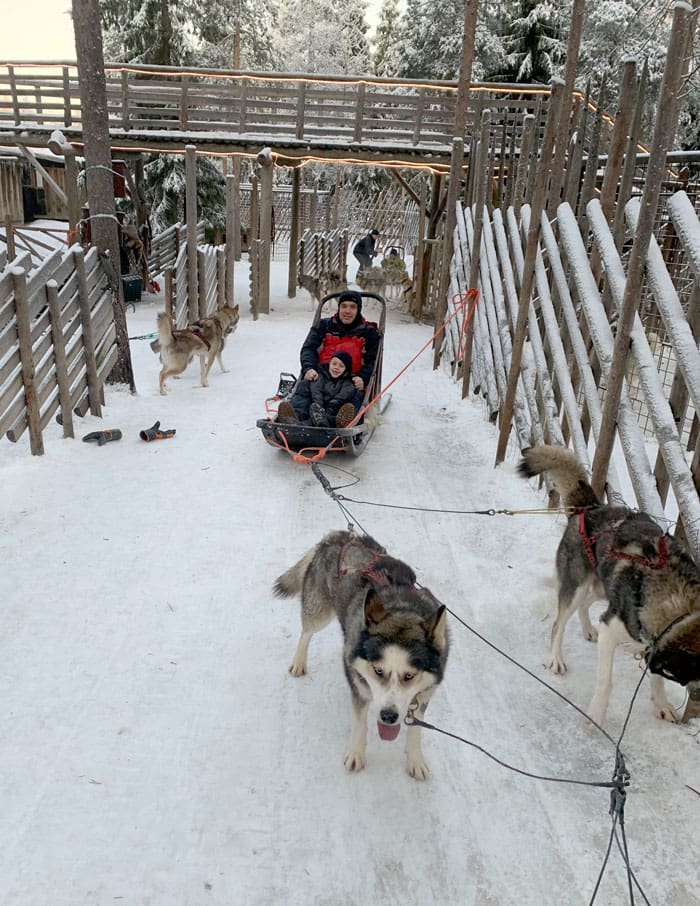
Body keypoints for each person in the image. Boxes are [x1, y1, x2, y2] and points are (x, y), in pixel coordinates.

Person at [298, 290, 381, 418]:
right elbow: (308, 348)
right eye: (344, 306)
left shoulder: (368, 333)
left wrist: (363, 378)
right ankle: (293, 418)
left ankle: (336, 422)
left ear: (358, 310)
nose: (347, 311)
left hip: (349, 381)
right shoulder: (324, 326)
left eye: (352, 307)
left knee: (354, 397)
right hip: (321, 376)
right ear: (339, 308)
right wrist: (309, 368)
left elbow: (372, 361)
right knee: (304, 387)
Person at [277, 351, 356, 428]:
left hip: (332, 409)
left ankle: (337, 423)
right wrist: (318, 406)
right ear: (329, 364)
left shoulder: (348, 382)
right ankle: (293, 417)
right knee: (304, 385)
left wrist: (330, 407)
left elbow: (344, 395)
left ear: (346, 369)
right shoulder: (321, 376)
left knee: (332, 414)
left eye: (341, 366)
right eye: (334, 364)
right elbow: (316, 390)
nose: (336, 367)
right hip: (316, 407)